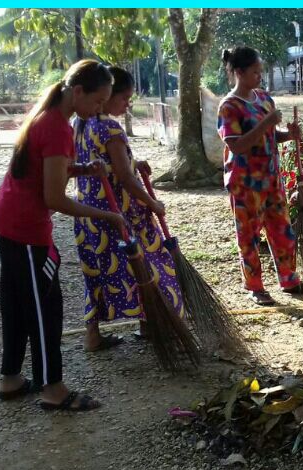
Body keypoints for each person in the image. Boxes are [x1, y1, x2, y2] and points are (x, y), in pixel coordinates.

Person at [0, 59, 125, 412]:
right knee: (45, 307)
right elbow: (54, 198)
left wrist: (81, 169)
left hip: (10, 221)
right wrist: (106, 214)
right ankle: (53, 388)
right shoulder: (57, 127)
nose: (98, 110)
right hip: (26, 229)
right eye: (97, 101)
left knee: (17, 303)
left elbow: (47, 172)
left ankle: (11, 378)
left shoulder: (47, 117)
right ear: (77, 92)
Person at [73, 66, 181, 352]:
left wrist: (135, 163)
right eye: (124, 98)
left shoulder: (80, 124)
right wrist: (152, 202)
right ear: (106, 96)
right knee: (151, 265)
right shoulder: (109, 127)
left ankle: (93, 335)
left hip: (88, 214)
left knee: (96, 271)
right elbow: (124, 178)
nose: (127, 104)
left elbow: (109, 165)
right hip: (118, 214)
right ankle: (152, 324)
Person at [217, 47, 303, 306]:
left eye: (261, 72)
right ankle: (255, 286)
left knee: (282, 230)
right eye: (255, 72)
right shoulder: (229, 107)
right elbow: (236, 145)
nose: (260, 76)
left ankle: (289, 278)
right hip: (245, 184)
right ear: (239, 72)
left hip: (271, 179)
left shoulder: (265, 99)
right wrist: (266, 124)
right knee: (249, 235)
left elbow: (269, 138)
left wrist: (289, 135)